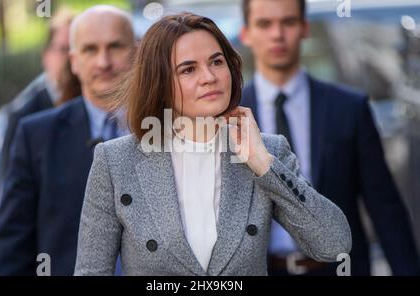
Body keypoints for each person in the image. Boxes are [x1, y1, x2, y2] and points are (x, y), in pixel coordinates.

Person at [74, 12, 351, 276]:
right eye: (188, 69)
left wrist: (263, 165)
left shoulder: (268, 151)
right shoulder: (115, 160)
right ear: (160, 83)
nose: (209, 77)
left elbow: (334, 244)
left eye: (217, 62)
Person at [240, 0, 420, 275]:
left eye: (287, 22)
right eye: (264, 24)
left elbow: (385, 208)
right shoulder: (231, 117)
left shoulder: (349, 108)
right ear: (247, 33)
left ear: (304, 27)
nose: (277, 34)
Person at [0, 5, 134, 276]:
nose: (103, 61)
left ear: (137, 51)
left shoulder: (167, 128)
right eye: (90, 49)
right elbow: (11, 246)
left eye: (115, 46)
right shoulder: (36, 136)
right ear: (74, 60)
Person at [0, 8, 78, 179]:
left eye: (78, 48)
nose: (72, 57)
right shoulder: (23, 116)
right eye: (64, 48)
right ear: (46, 56)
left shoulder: (98, 108)